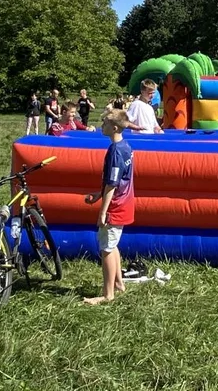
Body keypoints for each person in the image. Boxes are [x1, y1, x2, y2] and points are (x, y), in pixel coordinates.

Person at [83, 109, 134, 305]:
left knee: (105, 249)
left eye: (104, 123)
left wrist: (103, 212)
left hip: (115, 205)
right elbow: (119, 179)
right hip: (123, 202)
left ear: (113, 127)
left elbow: (113, 184)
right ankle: (119, 284)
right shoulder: (125, 146)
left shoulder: (115, 151)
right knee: (112, 246)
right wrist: (99, 194)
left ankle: (107, 294)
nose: (101, 126)